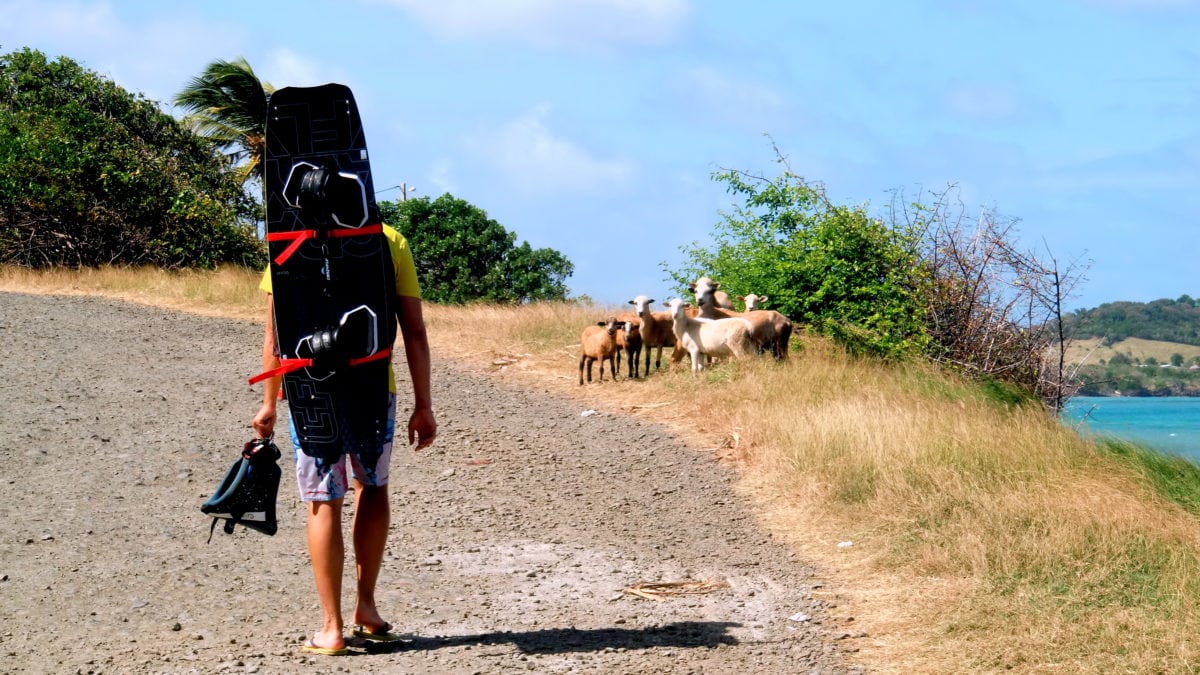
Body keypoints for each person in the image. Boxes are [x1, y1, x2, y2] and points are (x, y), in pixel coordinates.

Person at [251, 224, 437, 656]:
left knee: (323, 499)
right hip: (373, 385)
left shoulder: (288, 236)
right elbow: (414, 331)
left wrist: (270, 402)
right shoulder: (388, 238)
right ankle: (366, 609)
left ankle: (331, 628)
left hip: (309, 388)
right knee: (372, 487)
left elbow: (275, 333)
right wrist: (423, 404)